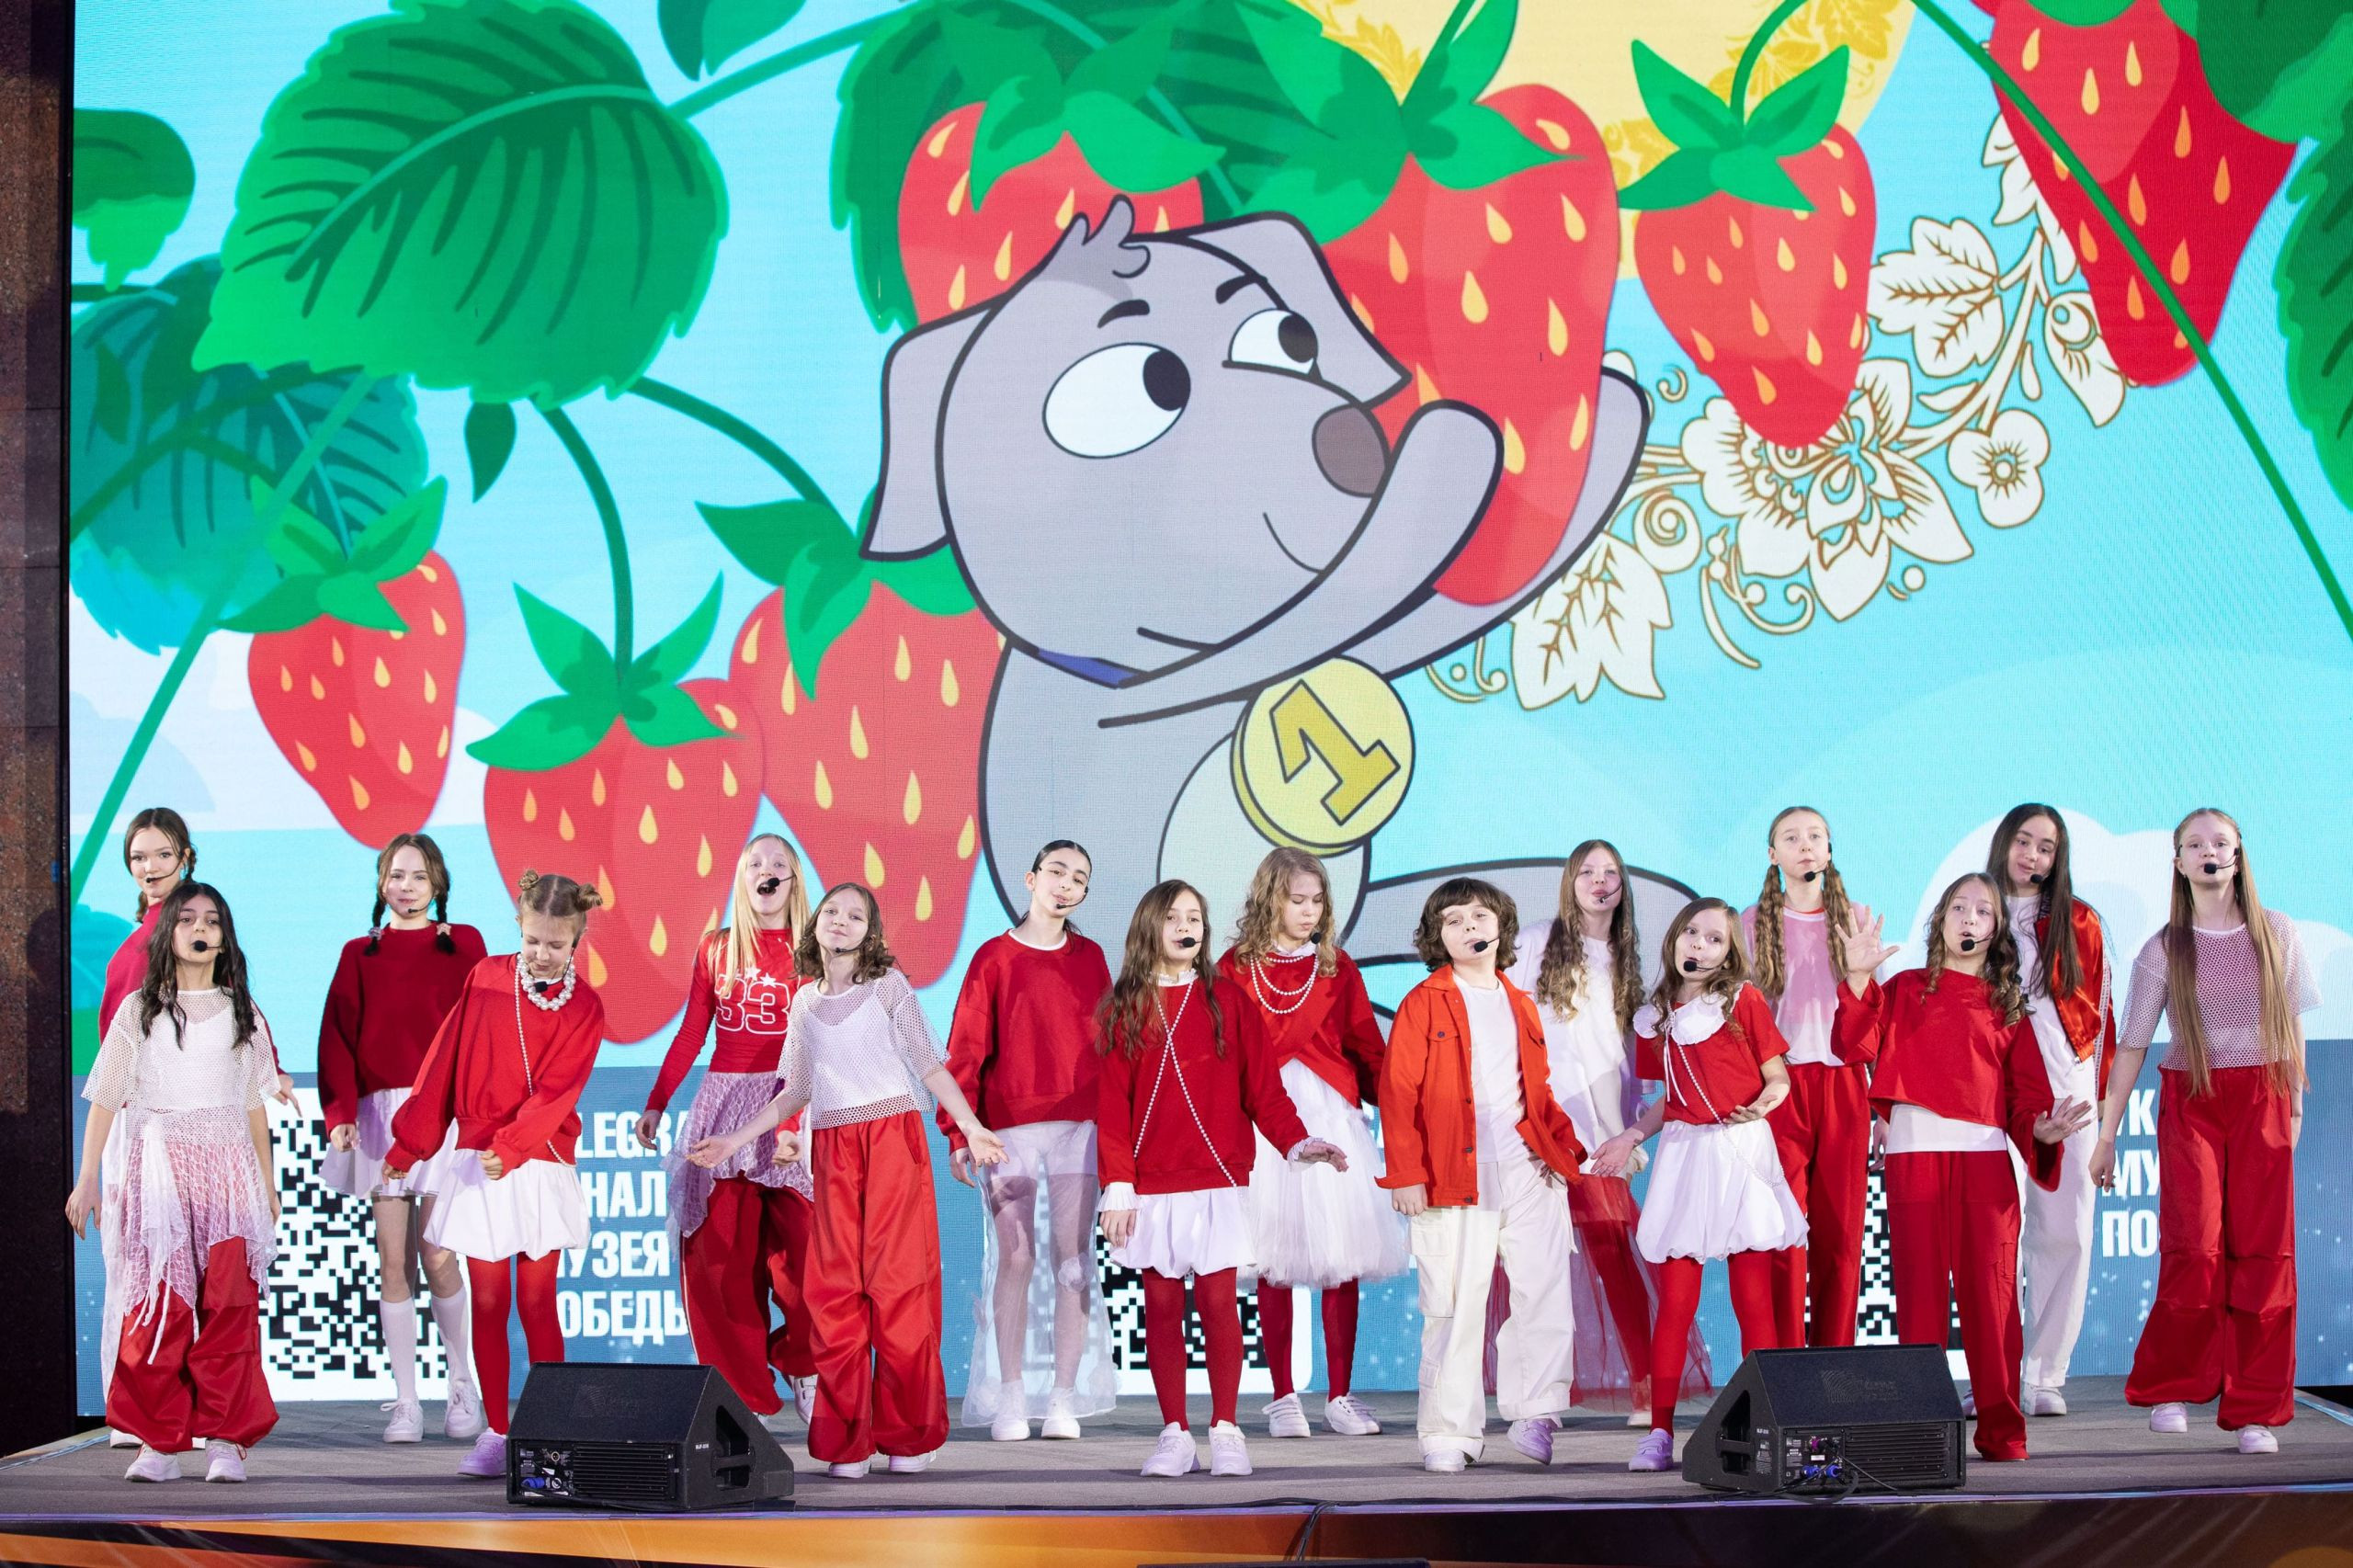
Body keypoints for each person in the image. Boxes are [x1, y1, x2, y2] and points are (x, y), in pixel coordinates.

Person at [688, 883, 1008, 1479]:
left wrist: (970, 1125)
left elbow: (930, 1065)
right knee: (834, 1293)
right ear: (816, 924)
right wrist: (734, 1140)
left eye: (855, 915)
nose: (841, 921)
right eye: (832, 911)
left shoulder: (888, 987)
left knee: (898, 1286)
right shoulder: (804, 1002)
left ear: (871, 932)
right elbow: (795, 1090)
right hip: (833, 1150)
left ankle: (908, 1435)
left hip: (892, 1140)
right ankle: (847, 1441)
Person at [1831, 876, 2091, 1460]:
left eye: (1983, 911)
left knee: (1993, 1302)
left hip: (1984, 1166)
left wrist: (2040, 1130)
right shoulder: (1902, 989)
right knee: (1918, 1303)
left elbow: (2025, 1098)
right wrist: (1857, 979)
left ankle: (2002, 1431)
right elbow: (1851, 1045)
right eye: (1958, 907)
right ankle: (1924, 1436)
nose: (1969, 918)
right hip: (1913, 1162)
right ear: (1940, 920)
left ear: (1996, 930)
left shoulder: (2008, 1006)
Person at [1095, 880, 1346, 1479]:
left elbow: (1264, 1091)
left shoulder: (1228, 1001)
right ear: (1149, 927)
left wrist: (1298, 1141)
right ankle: (1175, 1434)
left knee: (1217, 1304)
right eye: (1173, 917)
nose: (1187, 927)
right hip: (1152, 1186)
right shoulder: (1123, 1007)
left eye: (1195, 918)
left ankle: (1227, 1428)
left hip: (1218, 1181)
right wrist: (1119, 1185)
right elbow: (1111, 1107)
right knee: (1160, 1307)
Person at [2093, 809, 2315, 1454]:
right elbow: (2132, 1046)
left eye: (2220, 842)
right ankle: (2173, 1385)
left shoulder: (2278, 932)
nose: (2208, 852)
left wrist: (2295, 1109)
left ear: (2238, 856)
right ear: (2179, 861)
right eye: (2194, 844)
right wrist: (2107, 1135)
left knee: (2265, 1253)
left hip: (2264, 1097)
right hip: (2192, 1098)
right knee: (2194, 1245)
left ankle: (2256, 1411)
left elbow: (2292, 1025)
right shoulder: (2164, 948)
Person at [386, 870, 608, 1478]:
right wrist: (410, 1144)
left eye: (556, 944)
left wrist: (512, 1146)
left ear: (577, 939)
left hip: (539, 1159)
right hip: (479, 1157)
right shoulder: (485, 977)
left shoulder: (585, 1007)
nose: (542, 954)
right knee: (488, 1301)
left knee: (537, 1302)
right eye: (533, 940)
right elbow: (443, 1060)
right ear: (519, 927)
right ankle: (498, 1433)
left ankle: (553, 1439)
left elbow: (559, 1092)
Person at [66, 882, 280, 1483]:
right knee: (158, 1306)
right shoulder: (140, 1010)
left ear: (225, 938)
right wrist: (87, 1179)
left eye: (211, 919)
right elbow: (106, 1097)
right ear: (168, 932)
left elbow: (253, 1105)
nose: (199, 928)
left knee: (229, 1307)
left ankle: (225, 1440)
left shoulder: (242, 1012)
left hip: (227, 1173)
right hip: (158, 1170)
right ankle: (157, 1442)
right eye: (187, 919)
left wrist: (266, 1185)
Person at [1591, 897, 1806, 1472]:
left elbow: (1778, 1076)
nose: (1700, 946)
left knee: (1752, 1298)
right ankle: (1659, 1432)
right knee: (1677, 1302)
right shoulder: (1654, 1016)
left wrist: (1764, 1104)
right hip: (1685, 1156)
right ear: (1674, 939)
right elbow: (1669, 1099)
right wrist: (1630, 1136)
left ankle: (1765, 1427)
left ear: (1730, 951)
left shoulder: (1742, 1001)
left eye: (1715, 939)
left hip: (1739, 1149)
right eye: (1692, 933)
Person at [1380, 877, 1585, 1474]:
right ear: (1437, 936)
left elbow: (1537, 1093)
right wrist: (1405, 1172)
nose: (1470, 927)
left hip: (1528, 1167)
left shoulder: (1521, 1003)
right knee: (1455, 1304)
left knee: (1544, 1290)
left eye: (1479, 916)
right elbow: (1398, 1091)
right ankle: (1449, 1432)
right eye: (1454, 920)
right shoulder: (1424, 1002)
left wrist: (1570, 1151)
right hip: (1452, 1171)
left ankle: (1536, 1411)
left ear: (1501, 926)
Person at [1502, 841, 1711, 1425]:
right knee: (1530, 1260)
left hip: (1600, 1130)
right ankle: (1537, 1395)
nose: (1600, 881)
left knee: (1613, 1252)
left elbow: (1628, 1055)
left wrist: (1628, 1131)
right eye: (1588, 871)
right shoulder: (1535, 942)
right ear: (1570, 881)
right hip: (1537, 1118)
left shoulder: (1631, 960)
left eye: (1611, 872)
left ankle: (1645, 1384)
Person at [1219, 847, 1403, 1440]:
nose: (1308, 911)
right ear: (1268, 899)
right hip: (1264, 1120)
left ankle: (1341, 1395)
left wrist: (1403, 1105)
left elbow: (1366, 1048)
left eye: (1317, 900)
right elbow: (1218, 1050)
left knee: (1339, 1256)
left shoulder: (1337, 968)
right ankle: (1282, 1398)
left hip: (1331, 1116)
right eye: (1296, 900)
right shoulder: (1233, 968)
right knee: (1273, 1260)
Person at [940, 840, 1118, 1442]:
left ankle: (1062, 1399)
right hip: (1005, 1129)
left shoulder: (1091, 958)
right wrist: (959, 1129)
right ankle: (1011, 1397)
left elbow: (1109, 1044)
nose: (1067, 884)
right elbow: (965, 1046)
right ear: (1031, 878)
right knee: (1015, 1256)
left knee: (1074, 1260)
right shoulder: (993, 957)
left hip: (1078, 1127)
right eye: (1057, 872)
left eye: (1079, 878)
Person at [637, 835, 818, 1424]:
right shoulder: (716, 948)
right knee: (720, 1263)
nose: (766, 871)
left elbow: (818, 1045)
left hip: (792, 1103)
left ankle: (804, 1362)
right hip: (724, 1108)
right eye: (754, 863)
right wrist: (658, 1102)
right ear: (742, 878)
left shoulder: (815, 951)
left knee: (810, 1258)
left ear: (794, 880)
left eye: (778, 864)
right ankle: (744, 1396)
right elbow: (693, 1032)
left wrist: (794, 1121)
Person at [318, 834, 489, 1444]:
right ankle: (407, 1402)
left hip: (442, 1113)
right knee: (393, 1261)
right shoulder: (358, 953)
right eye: (396, 875)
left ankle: (462, 1387)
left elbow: (484, 1028)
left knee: (438, 1254)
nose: (407, 887)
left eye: (419, 876)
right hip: (380, 1118)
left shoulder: (464, 944)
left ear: (437, 882)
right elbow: (337, 1036)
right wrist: (340, 1113)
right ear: (381, 883)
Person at [1986, 803, 2115, 1417]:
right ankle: (1992, 1375)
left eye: (2046, 847)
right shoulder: (1975, 908)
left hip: (2067, 1083)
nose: (2032, 855)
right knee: (1993, 1239)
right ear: (2003, 844)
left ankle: (2044, 1375)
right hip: (1991, 1088)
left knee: (2066, 1230)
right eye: (2023, 841)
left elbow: (2102, 1014)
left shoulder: (2079, 919)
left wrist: (2106, 1109)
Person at [1745, 807, 1870, 1346]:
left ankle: (1834, 1359)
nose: (1806, 846)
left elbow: (1875, 1018)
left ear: (1830, 849)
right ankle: (1785, 1362)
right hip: (1781, 1087)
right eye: (1791, 838)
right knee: (1784, 1230)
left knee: (1842, 1234)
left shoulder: (1856, 919)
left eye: (1816, 836)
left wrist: (1885, 1109)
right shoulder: (1751, 923)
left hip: (1844, 1085)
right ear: (1773, 854)